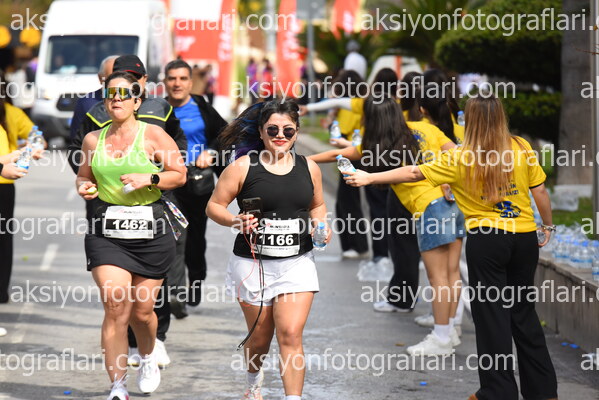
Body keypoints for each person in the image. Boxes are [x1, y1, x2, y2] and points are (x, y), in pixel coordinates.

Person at [345, 93, 558, 400]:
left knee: (492, 318)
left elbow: (413, 172)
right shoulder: (521, 147)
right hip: (524, 240)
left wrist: (369, 177)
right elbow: (541, 193)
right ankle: (543, 392)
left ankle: (498, 392)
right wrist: (547, 226)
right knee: (523, 313)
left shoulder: (460, 157)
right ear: (501, 117)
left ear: (469, 120)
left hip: (487, 241)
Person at [309, 96, 464, 355]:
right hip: (453, 205)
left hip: (430, 209)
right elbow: (458, 154)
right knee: (451, 274)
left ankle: (441, 338)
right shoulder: (425, 128)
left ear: (371, 120)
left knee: (438, 278)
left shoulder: (379, 144)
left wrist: (300, 158)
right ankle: (451, 330)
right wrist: (448, 180)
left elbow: (339, 155)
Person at [68, 55, 187, 368]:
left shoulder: (156, 129)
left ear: (138, 100)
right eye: (111, 94)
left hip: (151, 227)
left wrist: (150, 178)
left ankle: (150, 351)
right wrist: (84, 185)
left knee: (142, 311)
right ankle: (117, 385)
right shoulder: (93, 136)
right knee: (115, 304)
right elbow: (82, 174)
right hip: (107, 229)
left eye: (124, 94)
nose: (116, 99)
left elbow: (179, 173)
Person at [206, 100, 330, 400]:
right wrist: (235, 221)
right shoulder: (243, 167)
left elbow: (318, 205)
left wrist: (321, 225)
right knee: (260, 338)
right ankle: (253, 382)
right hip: (252, 265)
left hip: (297, 262)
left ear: (297, 132)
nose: (280, 136)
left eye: (288, 130)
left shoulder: (309, 167)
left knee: (291, 334)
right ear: (261, 132)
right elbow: (214, 206)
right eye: (272, 130)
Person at [164, 59, 228, 311]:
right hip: (170, 183)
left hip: (199, 183)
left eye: (182, 78)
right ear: (165, 82)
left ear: (191, 82)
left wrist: (210, 152)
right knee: (175, 236)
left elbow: (225, 134)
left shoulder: (201, 106)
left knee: (195, 239)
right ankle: (176, 293)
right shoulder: (157, 109)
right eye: (172, 78)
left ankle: (196, 280)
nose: (177, 83)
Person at [0, 72, 40, 304]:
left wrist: (30, 150)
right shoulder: (12, 112)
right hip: (5, 181)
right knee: (3, 238)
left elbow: (37, 137)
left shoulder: (11, 113)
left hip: (5, 184)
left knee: (3, 238)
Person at [70, 55, 117, 140]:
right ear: (100, 78)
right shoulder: (86, 103)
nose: (117, 81)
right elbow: (76, 140)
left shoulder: (134, 100)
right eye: (112, 77)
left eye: (122, 76)